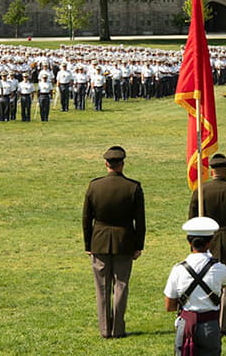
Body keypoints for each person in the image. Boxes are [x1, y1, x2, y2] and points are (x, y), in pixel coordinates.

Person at [82, 145, 146, 339]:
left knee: (102, 288)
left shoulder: (94, 186)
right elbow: (140, 221)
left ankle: (104, 329)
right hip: (124, 241)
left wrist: (88, 245)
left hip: (99, 240)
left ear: (106, 164)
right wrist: (138, 245)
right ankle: (118, 328)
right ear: (122, 164)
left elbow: (86, 219)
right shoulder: (133, 187)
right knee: (121, 285)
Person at [188, 153, 226, 336]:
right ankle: (223, 325)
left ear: (212, 170)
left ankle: (209, 321)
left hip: (206, 242)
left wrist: (193, 243)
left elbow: (192, 218)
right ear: (225, 169)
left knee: (205, 283)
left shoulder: (202, 191)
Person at [164, 216, 226, 356]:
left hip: (185, 325)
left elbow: (169, 306)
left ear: (189, 241)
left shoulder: (178, 269)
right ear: (209, 243)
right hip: (210, 326)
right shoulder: (220, 268)